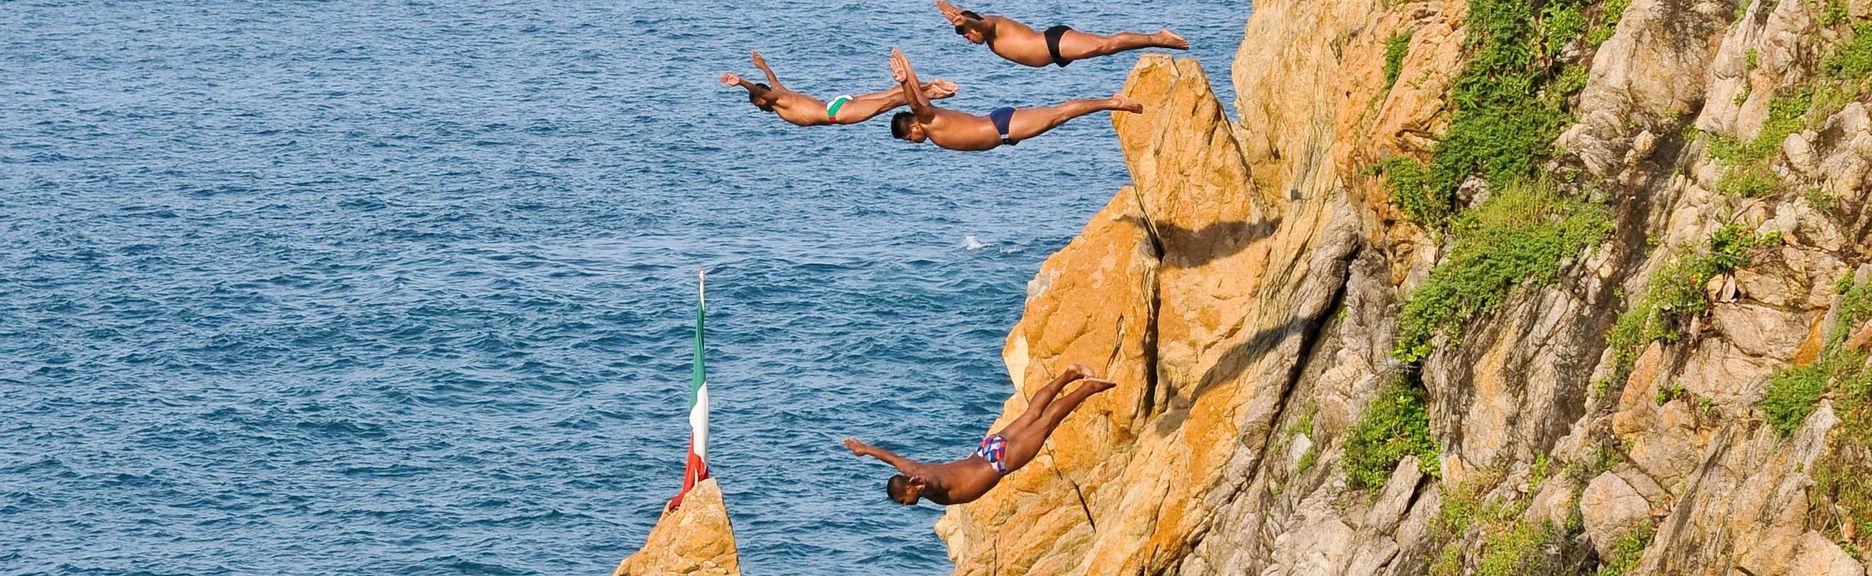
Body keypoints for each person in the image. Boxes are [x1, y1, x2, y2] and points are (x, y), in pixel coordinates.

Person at [843, 364, 1117, 506]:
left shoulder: (926, 485)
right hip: (986, 449)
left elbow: (934, 484)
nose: (906, 505)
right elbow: (892, 458)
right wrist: (865, 449)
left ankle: (1088, 388)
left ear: (910, 488)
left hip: (997, 462)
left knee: (1046, 423)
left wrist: (924, 485)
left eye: (904, 500)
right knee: (1032, 413)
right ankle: (1070, 373)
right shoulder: (911, 469)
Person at [885, 48, 1141, 151]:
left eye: (908, 137)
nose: (912, 141)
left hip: (1002, 128)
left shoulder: (927, 120)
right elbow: (918, 96)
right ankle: (1112, 102)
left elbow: (915, 102)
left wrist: (904, 80)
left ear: (913, 126)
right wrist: (907, 68)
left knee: (1059, 114)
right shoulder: (930, 118)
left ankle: (1114, 102)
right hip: (1002, 128)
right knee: (1057, 114)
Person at [721, 51, 958, 127]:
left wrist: (741, 81)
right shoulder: (781, 94)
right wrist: (763, 65)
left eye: (757, 104)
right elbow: (771, 82)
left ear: (759, 101)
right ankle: (931, 85)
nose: (760, 106)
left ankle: (935, 90)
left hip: (836, 113)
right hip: (836, 104)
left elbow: (761, 91)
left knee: (892, 101)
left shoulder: (774, 100)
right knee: (890, 94)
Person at [936, 1, 1188, 68]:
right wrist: (949, 8)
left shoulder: (990, 24)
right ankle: (1159, 38)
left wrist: (967, 20)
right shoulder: (988, 33)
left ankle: (1159, 38)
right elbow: (972, 20)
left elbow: (981, 24)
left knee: (1107, 45)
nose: (969, 40)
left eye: (967, 35)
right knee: (1107, 47)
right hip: (1053, 51)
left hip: (1053, 43)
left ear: (973, 27)